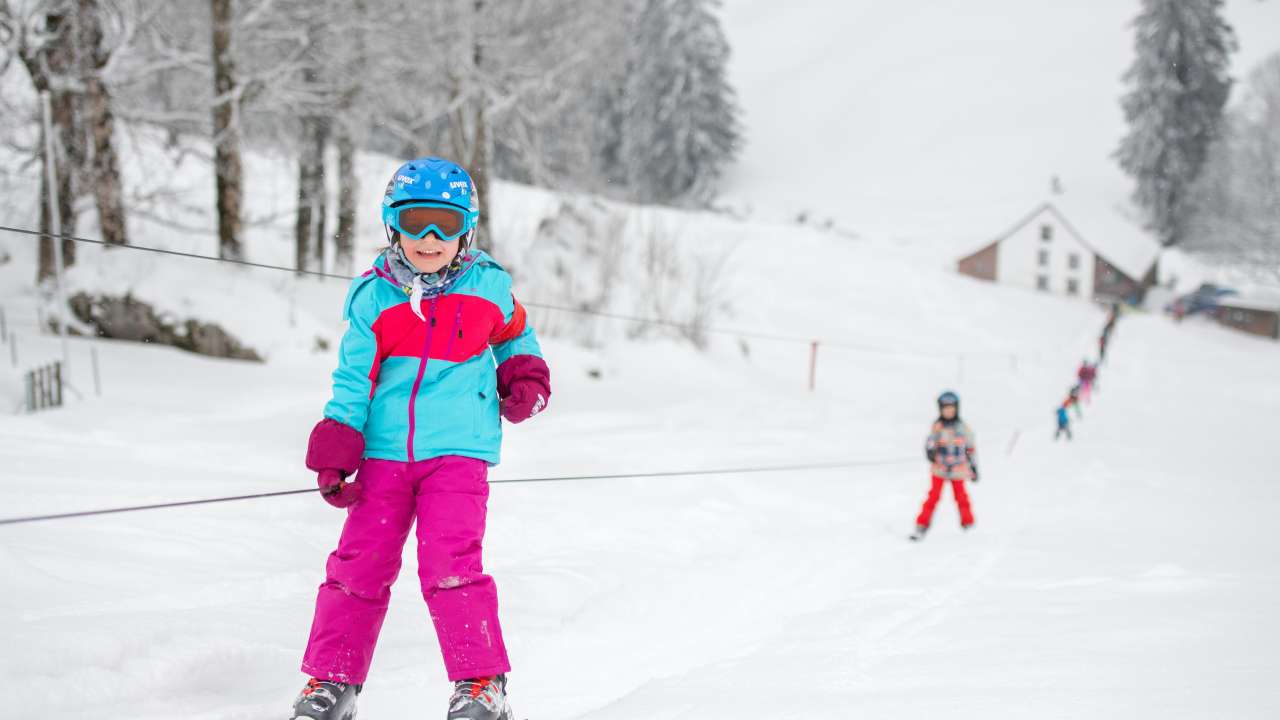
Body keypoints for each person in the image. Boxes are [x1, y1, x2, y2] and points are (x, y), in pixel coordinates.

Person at [291, 157, 551, 720]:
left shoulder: (488, 286)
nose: (430, 238)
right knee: (356, 566)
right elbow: (353, 378)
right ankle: (330, 684)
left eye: (445, 223)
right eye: (415, 223)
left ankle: (481, 684)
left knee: (450, 564)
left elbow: (516, 334)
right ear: (393, 226)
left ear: (467, 229)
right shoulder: (373, 297)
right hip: (385, 456)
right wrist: (339, 443)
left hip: (458, 455)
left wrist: (524, 373)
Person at [910, 391, 977, 541]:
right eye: (946, 408)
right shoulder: (937, 426)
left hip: (958, 469)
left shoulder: (962, 427)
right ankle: (922, 525)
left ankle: (968, 524)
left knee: (961, 497)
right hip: (939, 469)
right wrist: (930, 451)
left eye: (951, 408)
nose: (948, 411)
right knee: (933, 496)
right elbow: (930, 442)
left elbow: (970, 447)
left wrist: (973, 466)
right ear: (940, 409)